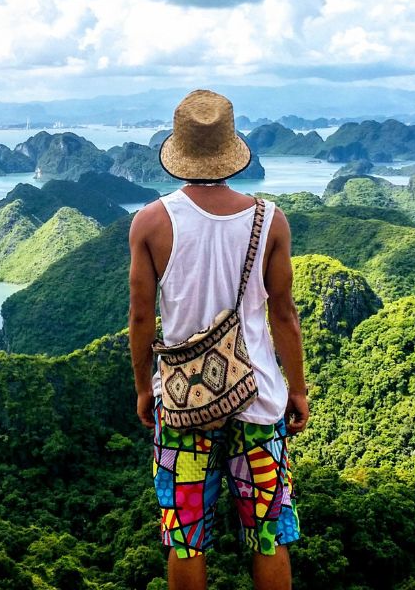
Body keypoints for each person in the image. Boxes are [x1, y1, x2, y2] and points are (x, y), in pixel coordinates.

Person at [128, 89, 309, 590]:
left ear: (179, 152)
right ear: (231, 150)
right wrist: (297, 389)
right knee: (268, 534)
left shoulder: (151, 222)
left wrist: (145, 387)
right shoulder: (269, 220)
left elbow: (141, 319)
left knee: (186, 537)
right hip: (258, 398)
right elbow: (284, 315)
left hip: (185, 403)